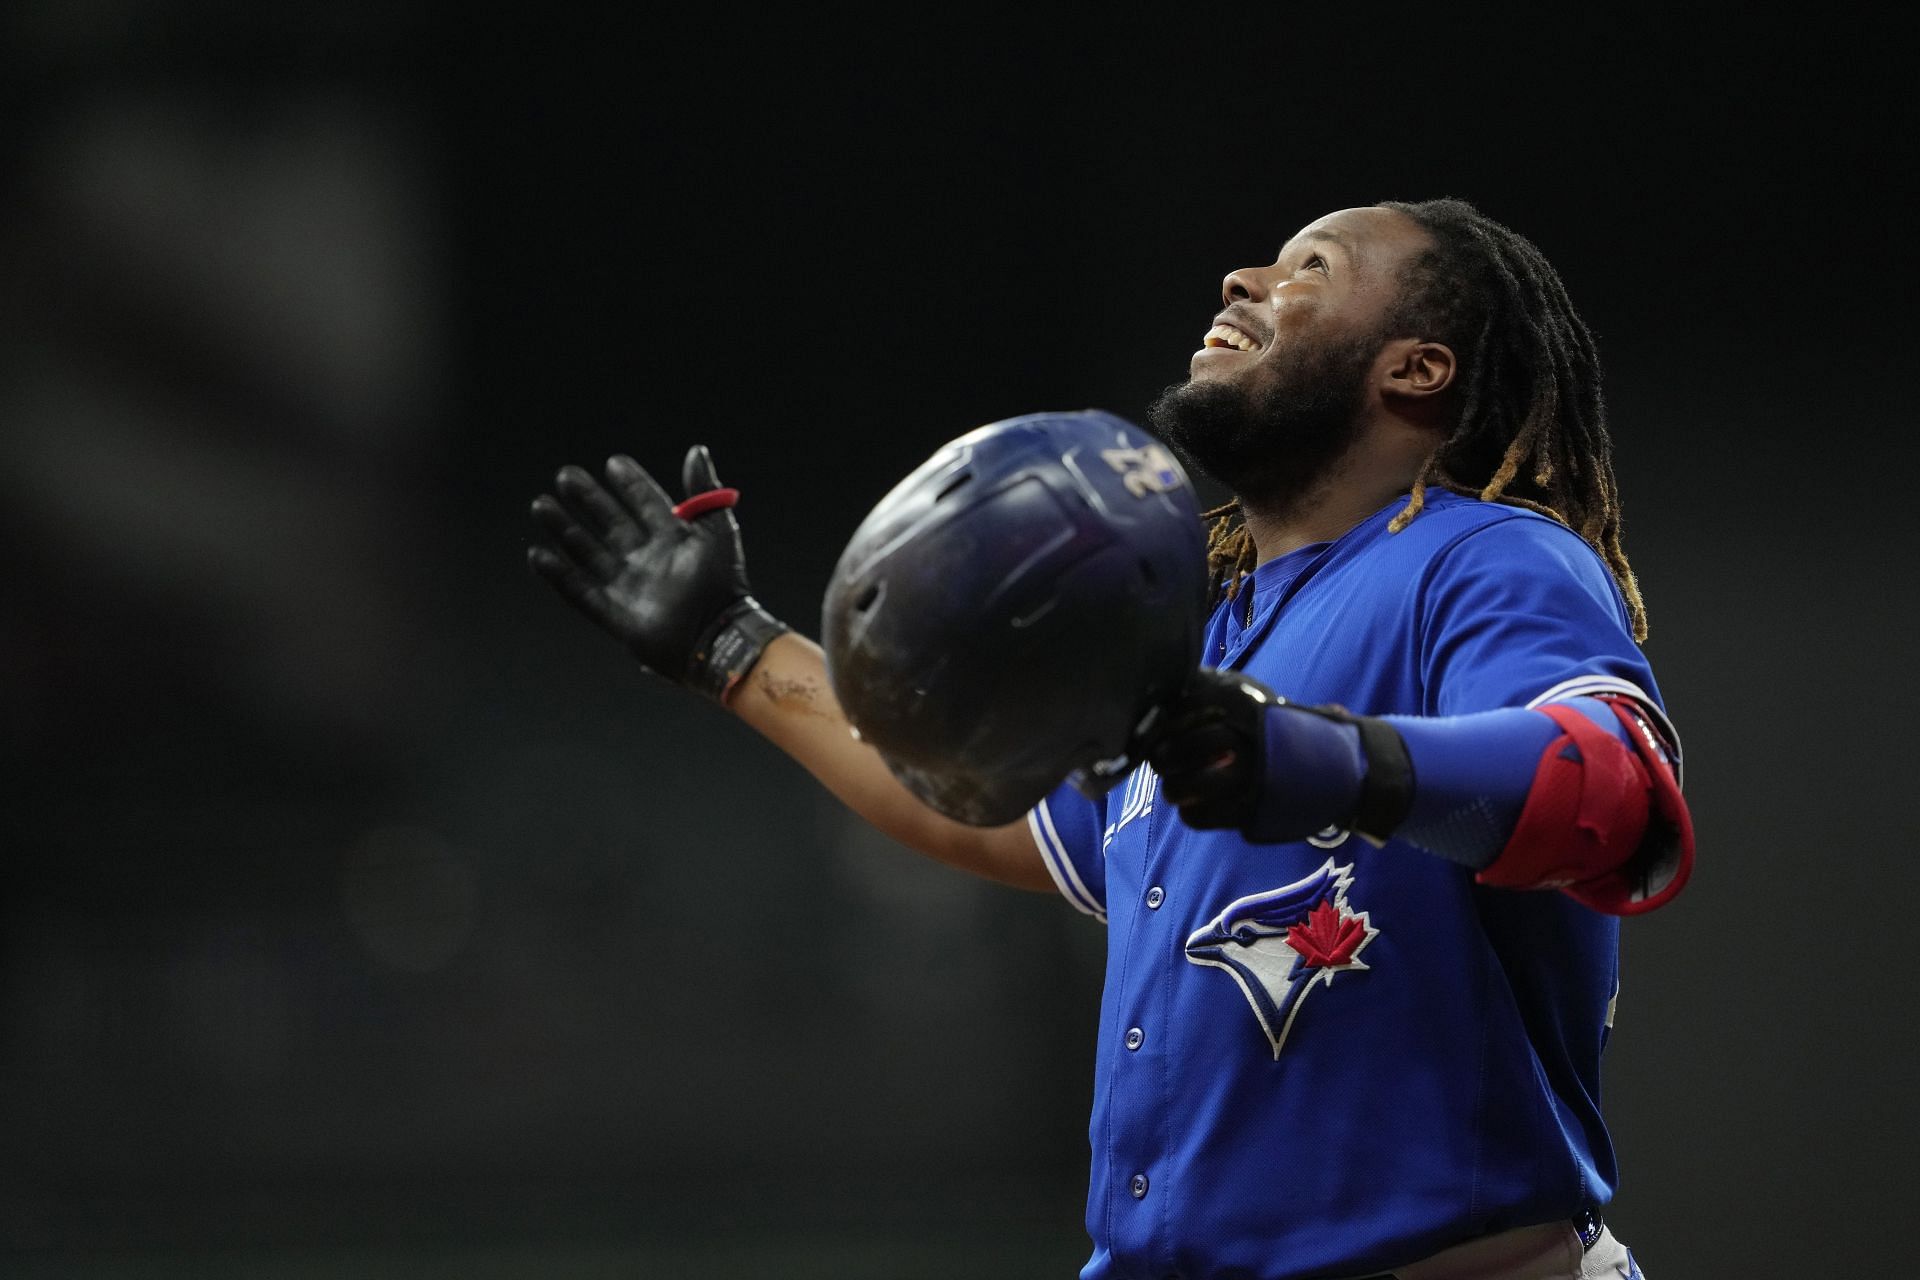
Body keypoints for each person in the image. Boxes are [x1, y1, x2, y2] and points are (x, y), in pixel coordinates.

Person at [526, 198, 1690, 1280]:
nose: (1243, 277)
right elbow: (977, 807)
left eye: (1309, 269)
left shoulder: (1481, 558)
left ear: (1416, 367)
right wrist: (730, 648)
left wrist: (1331, 761)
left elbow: (1614, 790)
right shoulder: (1210, 644)